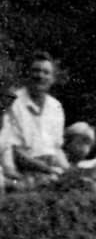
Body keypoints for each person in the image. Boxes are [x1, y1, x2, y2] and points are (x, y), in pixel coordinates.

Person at [2, 51, 69, 190]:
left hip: (50, 169)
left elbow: (57, 149)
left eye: (46, 72)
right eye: (36, 71)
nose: (40, 76)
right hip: (23, 170)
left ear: (53, 79)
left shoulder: (55, 106)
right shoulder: (14, 103)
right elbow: (13, 152)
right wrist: (48, 169)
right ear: (27, 74)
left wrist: (68, 171)